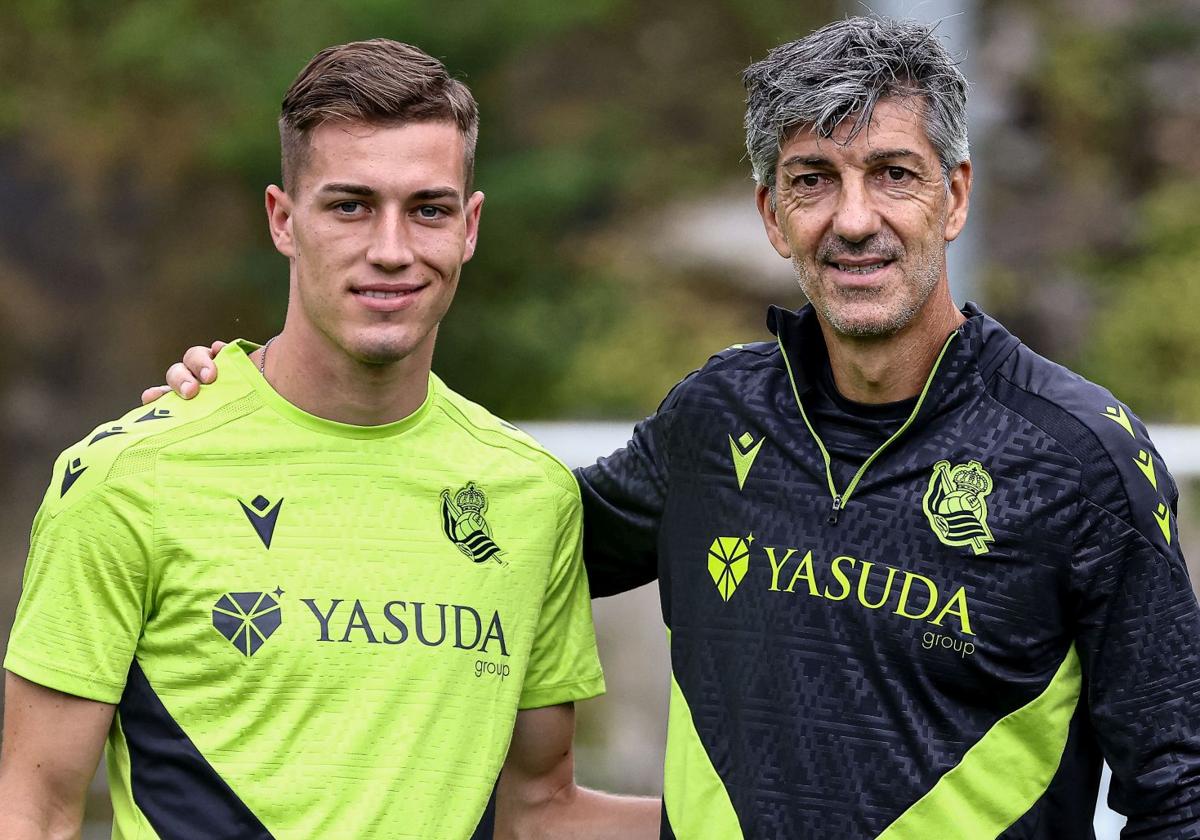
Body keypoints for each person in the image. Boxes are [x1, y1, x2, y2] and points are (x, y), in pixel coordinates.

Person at [141, 16, 1200, 839]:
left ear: (955, 196)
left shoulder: (1084, 458)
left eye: (893, 175)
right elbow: (489, 536)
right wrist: (255, 402)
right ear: (770, 214)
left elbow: (1177, 789)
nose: (855, 218)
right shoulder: (716, 419)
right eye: (812, 181)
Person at [0, 39, 658, 839]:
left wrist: (782, 817)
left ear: (470, 226)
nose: (391, 250)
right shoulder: (125, 477)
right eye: (349, 205)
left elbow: (539, 812)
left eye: (428, 209)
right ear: (284, 219)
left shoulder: (529, 494)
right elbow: (32, 811)